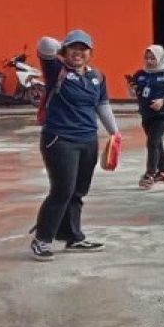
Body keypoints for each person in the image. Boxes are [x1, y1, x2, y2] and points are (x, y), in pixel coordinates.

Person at [29, 29, 119, 260]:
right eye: (73, 48)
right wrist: (62, 46)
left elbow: (102, 105)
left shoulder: (96, 76)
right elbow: (44, 44)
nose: (78, 52)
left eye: (83, 49)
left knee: (78, 191)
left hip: (88, 139)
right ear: (65, 50)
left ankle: (73, 237)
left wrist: (114, 133)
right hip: (59, 140)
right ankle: (42, 239)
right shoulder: (56, 70)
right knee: (62, 191)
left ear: (91, 53)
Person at [128, 45, 164, 189]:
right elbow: (134, 94)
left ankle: (150, 173)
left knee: (152, 142)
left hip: (163, 114)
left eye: (152, 58)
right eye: (147, 58)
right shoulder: (141, 73)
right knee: (156, 142)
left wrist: (163, 101)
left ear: (160, 58)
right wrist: (131, 88)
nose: (149, 61)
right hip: (146, 113)